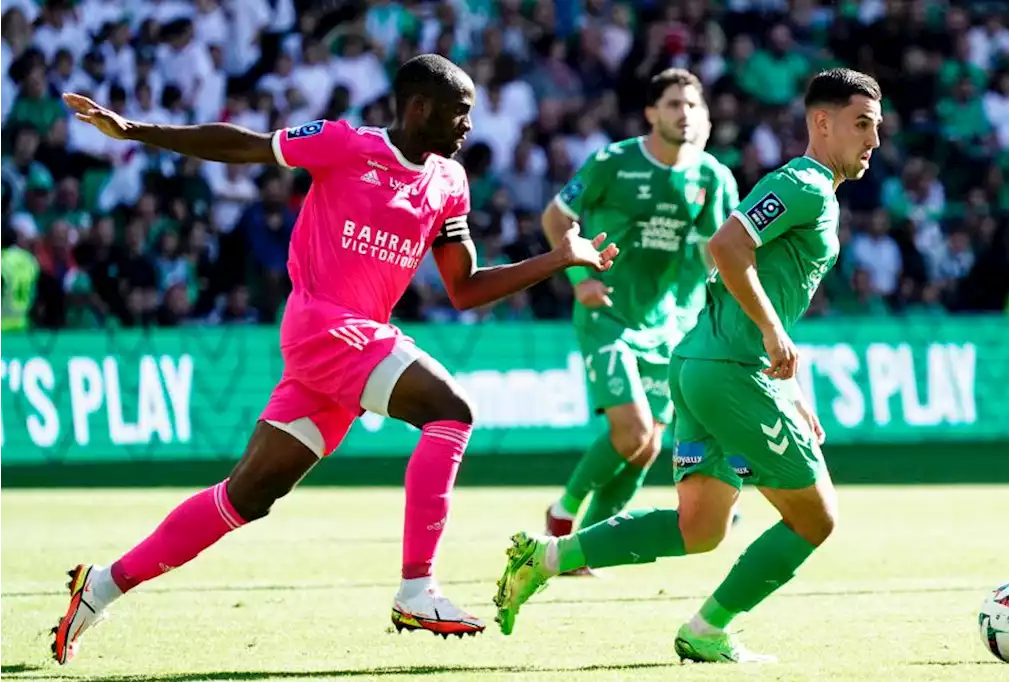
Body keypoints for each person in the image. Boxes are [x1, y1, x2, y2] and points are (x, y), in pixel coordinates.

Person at [51, 54, 617, 665]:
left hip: (352, 344)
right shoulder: (343, 144)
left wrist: (559, 259)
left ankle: (102, 584)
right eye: (460, 113)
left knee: (246, 497)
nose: (468, 127)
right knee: (450, 411)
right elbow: (243, 147)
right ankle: (417, 589)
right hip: (322, 325)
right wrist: (137, 130)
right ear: (420, 107)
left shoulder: (450, 183)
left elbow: (466, 288)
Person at [493, 68, 883, 663]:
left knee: (698, 529)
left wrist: (791, 382)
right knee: (816, 519)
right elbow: (728, 247)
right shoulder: (803, 182)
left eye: (876, 127)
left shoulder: (806, 190)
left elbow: (725, 269)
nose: (873, 141)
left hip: (700, 361)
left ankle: (545, 557)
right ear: (821, 123)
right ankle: (707, 629)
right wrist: (772, 336)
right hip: (731, 369)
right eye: (862, 125)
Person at [540, 69, 736, 574]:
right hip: (607, 311)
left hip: (670, 325)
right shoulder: (614, 161)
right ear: (651, 112)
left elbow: (721, 252)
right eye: (673, 104)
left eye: (692, 106)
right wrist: (578, 278)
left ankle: (583, 548)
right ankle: (562, 515)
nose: (683, 114)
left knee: (648, 446)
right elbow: (556, 217)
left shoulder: (712, 176)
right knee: (632, 432)